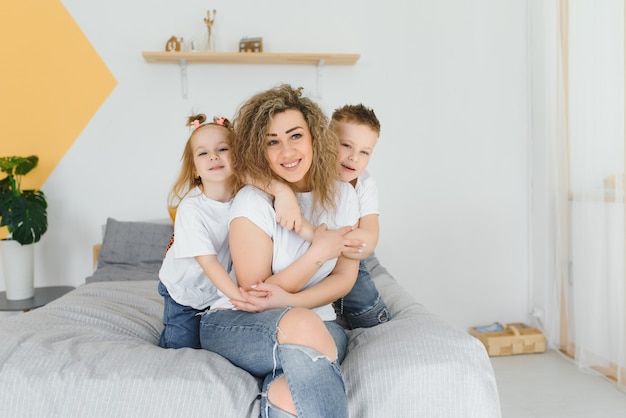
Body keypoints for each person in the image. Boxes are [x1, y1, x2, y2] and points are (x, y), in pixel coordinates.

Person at [199, 84, 362, 418]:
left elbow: (346, 276)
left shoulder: (344, 196)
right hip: (238, 322)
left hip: (320, 320)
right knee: (303, 328)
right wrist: (317, 253)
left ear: (315, 137)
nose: (287, 152)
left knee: (288, 392)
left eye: (295, 136)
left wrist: (293, 302)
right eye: (272, 142)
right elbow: (257, 295)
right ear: (260, 151)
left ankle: (271, 402)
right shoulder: (252, 201)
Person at [272, 103, 392, 329]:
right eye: (346, 145)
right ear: (325, 139)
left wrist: (321, 239)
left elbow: (367, 242)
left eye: (364, 152)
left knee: (361, 299)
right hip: (308, 252)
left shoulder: (363, 184)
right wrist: (282, 192)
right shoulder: (302, 165)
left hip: (345, 255)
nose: (354, 158)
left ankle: (377, 319)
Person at [158, 114, 243, 349]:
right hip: (184, 290)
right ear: (195, 169)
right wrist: (239, 297)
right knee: (183, 345)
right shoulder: (192, 208)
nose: (214, 156)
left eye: (222, 149)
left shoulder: (245, 199)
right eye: (203, 153)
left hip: (216, 290)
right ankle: (165, 340)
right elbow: (209, 263)